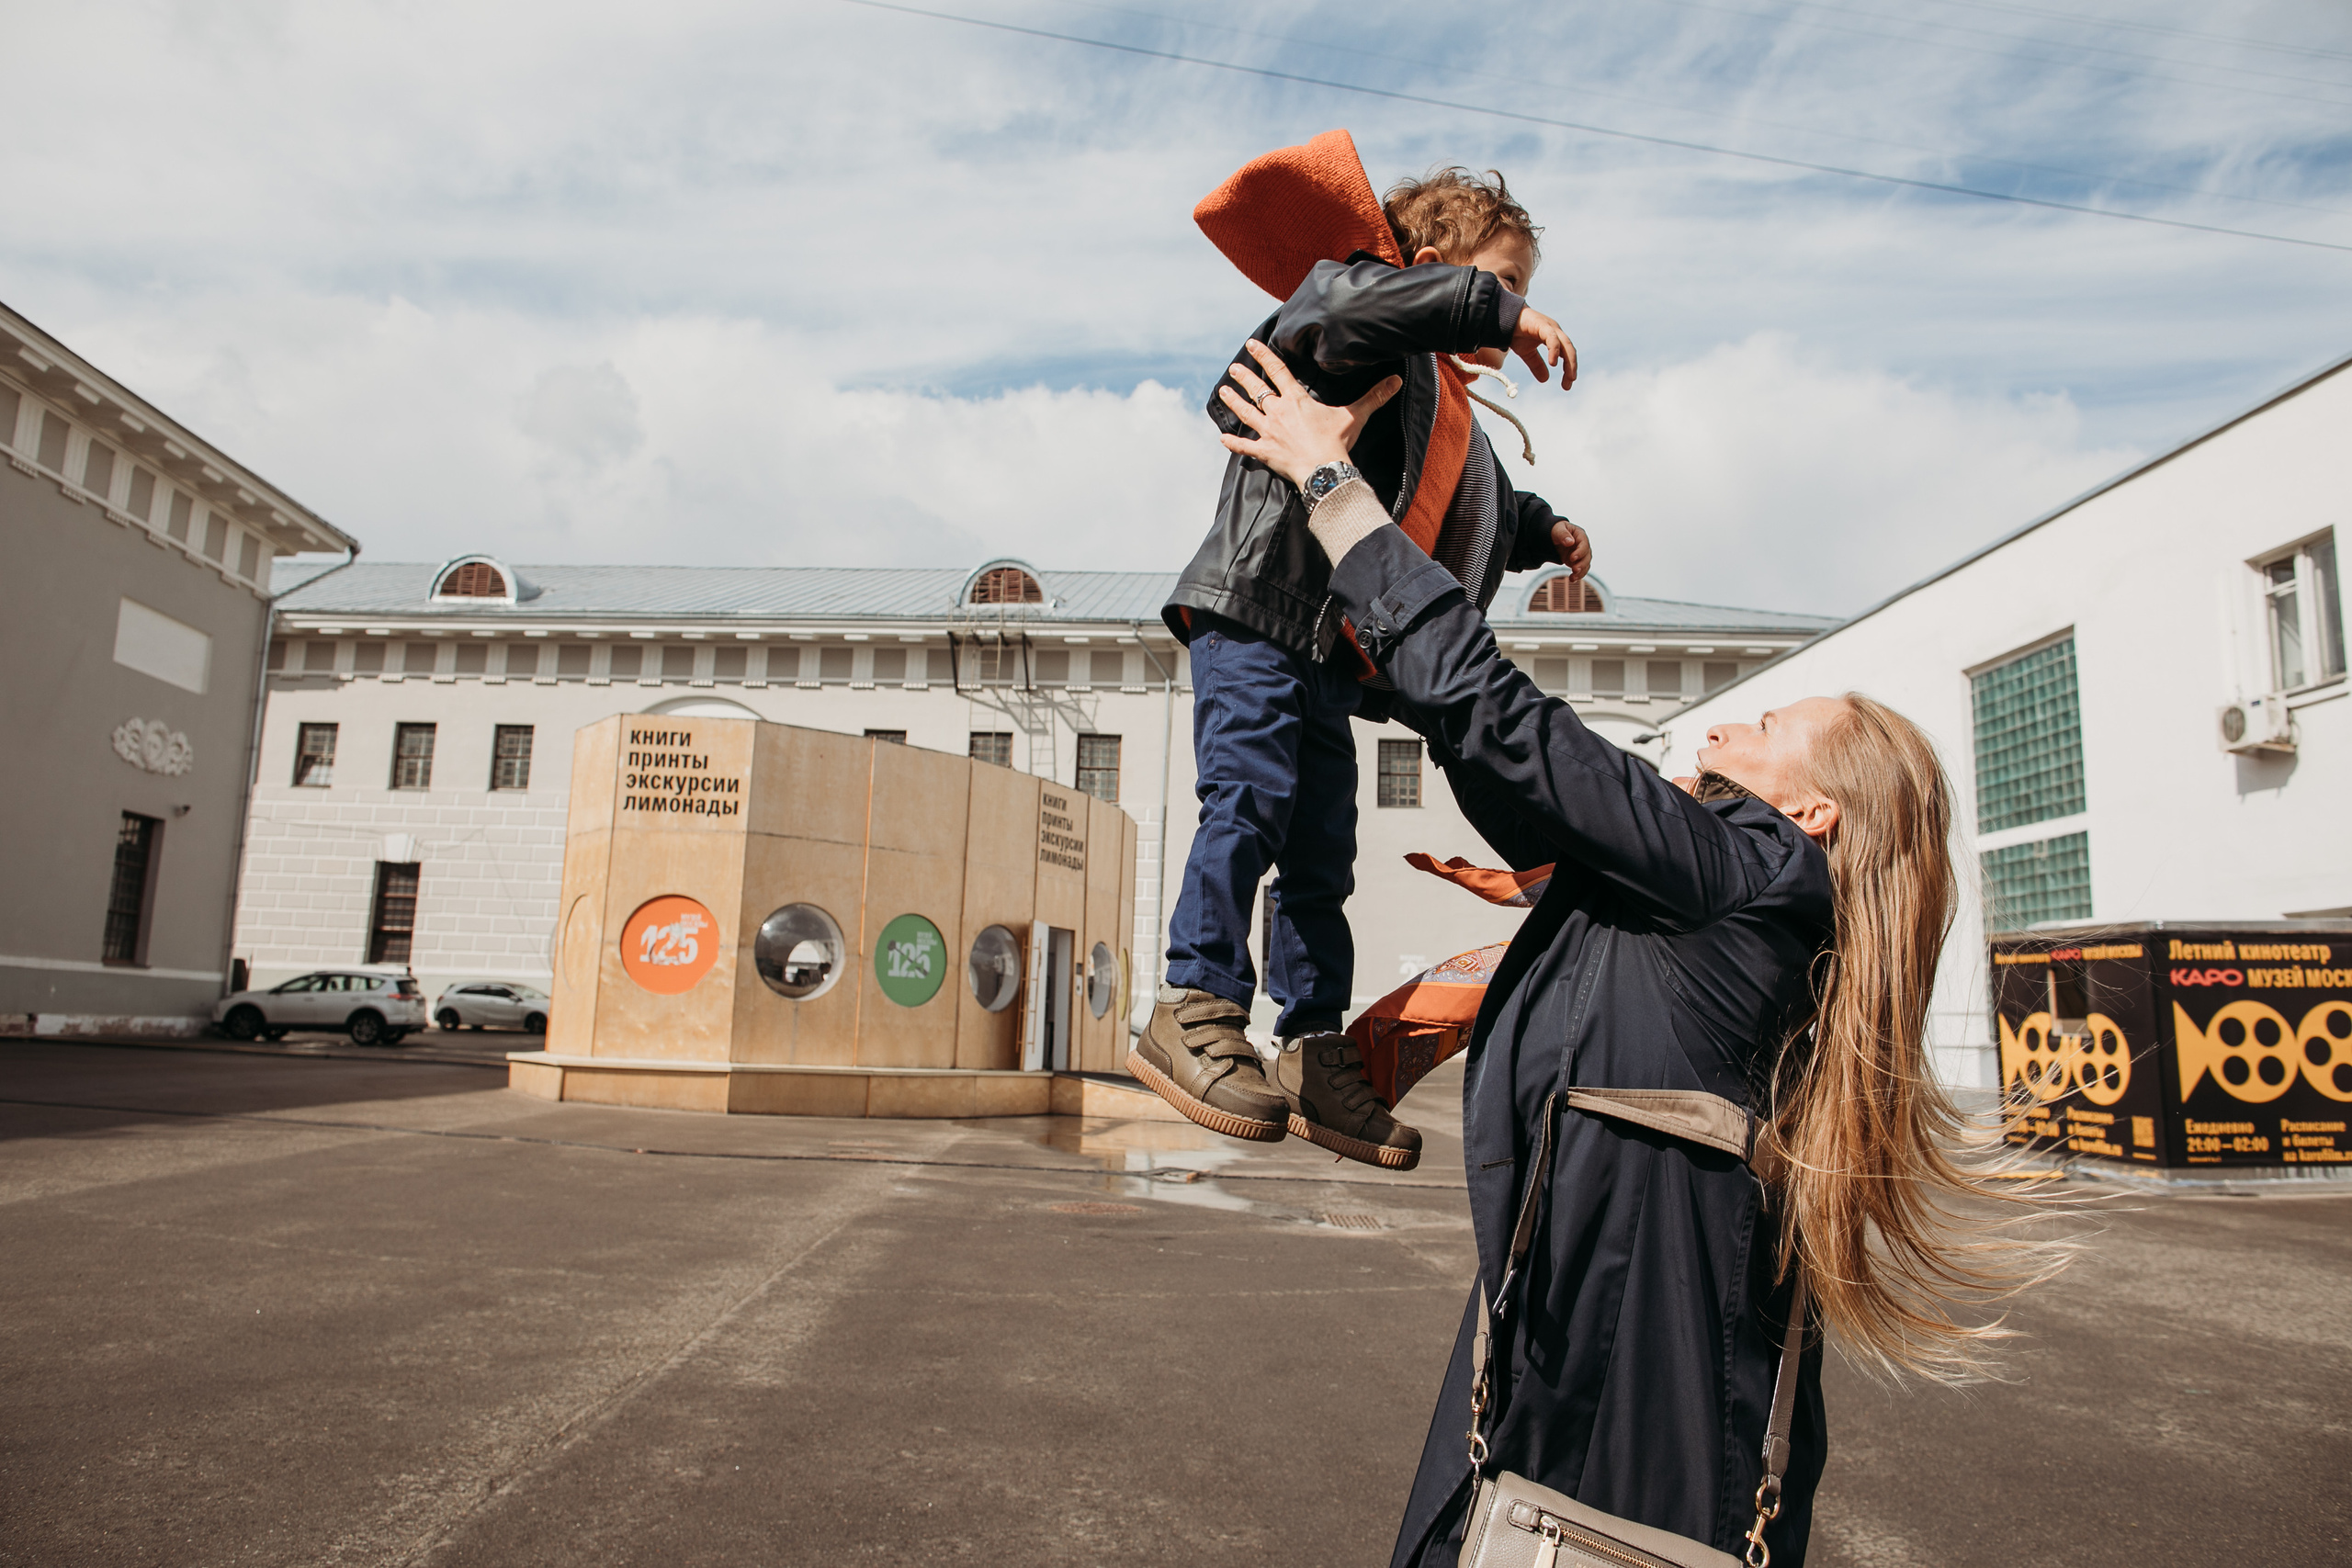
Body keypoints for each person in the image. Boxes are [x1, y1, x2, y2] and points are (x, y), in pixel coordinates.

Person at [1204, 340, 2067, 1567]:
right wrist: (1405, 635)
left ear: (1812, 810)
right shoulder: (1739, 892)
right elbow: (1505, 759)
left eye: (1764, 725)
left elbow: (1511, 729)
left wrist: (1334, 489)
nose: (1722, 730)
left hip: (1615, 1380)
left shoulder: (1748, 866)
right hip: (1610, 1345)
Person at [1135, 138, 1590, 1172]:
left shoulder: (1440, 399)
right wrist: (1489, 311)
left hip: (1327, 656)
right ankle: (1196, 1001)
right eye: (1501, 283)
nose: (1512, 309)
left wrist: (1539, 530)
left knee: (1321, 855)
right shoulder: (1356, 317)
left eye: (1517, 294)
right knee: (1247, 800)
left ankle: (1310, 1046)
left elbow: (1461, 495)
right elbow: (1333, 311)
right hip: (1258, 611)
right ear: (1429, 265)